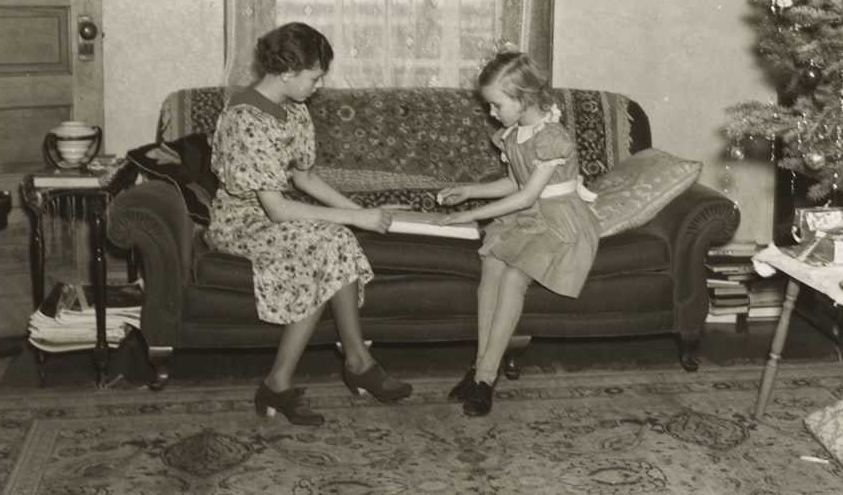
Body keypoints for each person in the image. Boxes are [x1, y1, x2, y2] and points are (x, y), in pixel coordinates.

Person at [206, 22, 412, 426]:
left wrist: (369, 215)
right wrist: (356, 218)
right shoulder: (245, 118)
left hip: (271, 215)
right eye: (315, 76)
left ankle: (338, 367)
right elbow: (277, 210)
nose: (319, 85)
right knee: (329, 241)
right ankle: (336, 369)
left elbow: (305, 178)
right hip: (239, 223)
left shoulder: (294, 109)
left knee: (333, 240)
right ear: (287, 72)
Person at [438, 51, 601, 416]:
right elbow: (513, 182)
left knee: (513, 277)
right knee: (491, 267)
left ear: (523, 99)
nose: (491, 114)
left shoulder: (552, 138)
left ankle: (486, 376)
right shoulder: (513, 134)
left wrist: (471, 215)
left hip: (561, 223)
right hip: (531, 215)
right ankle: (479, 366)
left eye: (496, 105)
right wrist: (469, 190)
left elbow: (527, 195)